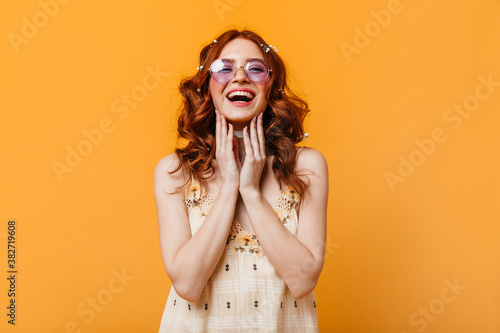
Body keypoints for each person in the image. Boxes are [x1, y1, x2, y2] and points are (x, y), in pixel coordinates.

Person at [154, 29, 328, 332]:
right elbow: (188, 284)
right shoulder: (175, 173)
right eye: (224, 68)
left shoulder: (307, 167)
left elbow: (302, 281)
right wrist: (229, 189)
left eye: (255, 68)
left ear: (270, 85)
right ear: (208, 86)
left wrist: (250, 190)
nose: (240, 77)